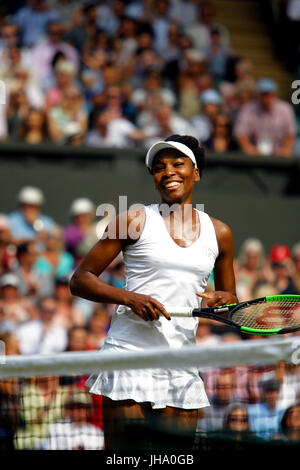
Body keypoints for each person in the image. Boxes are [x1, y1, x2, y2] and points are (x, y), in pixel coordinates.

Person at [70, 133, 238, 449]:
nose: (168, 172)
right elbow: (80, 279)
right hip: (128, 353)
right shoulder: (133, 219)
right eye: (159, 167)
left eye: (178, 163)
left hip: (180, 362)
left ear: (196, 172)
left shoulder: (221, 233)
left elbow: (231, 300)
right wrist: (128, 297)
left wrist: (223, 299)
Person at [234, 78, 297, 157]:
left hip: (279, 151)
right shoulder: (248, 108)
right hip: (255, 153)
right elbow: (240, 133)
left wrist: (286, 149)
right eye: (263, 94)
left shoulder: (285, 109)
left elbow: (291, 134)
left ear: (274, 94)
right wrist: (248, 147)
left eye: (268, 94)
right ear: (258, 95)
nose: (266, 97)